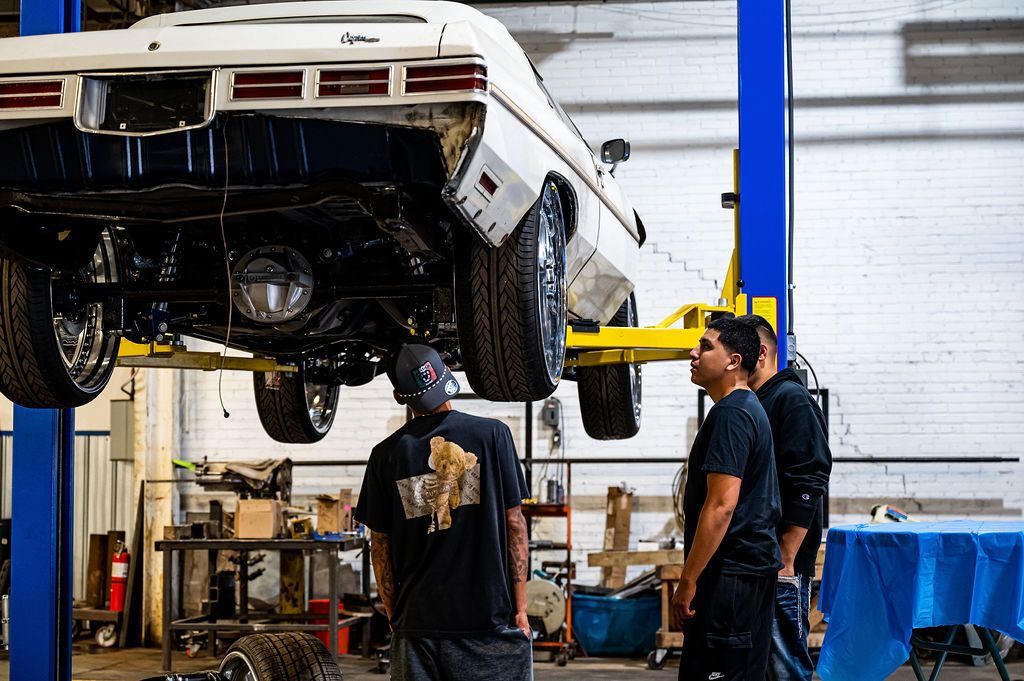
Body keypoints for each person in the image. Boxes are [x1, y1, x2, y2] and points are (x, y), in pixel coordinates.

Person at [353, 343, 533, 681]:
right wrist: (521, 610)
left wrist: (396, 616)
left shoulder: (385, 455)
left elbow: (380, 546)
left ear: (399, 396)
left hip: (418, 626)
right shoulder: (494, 435)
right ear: (448, 375)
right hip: (487, 622)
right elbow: (515, 526)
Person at [673, 317, 782, 681]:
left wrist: (688, 580)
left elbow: (721, 506)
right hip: (742, 578)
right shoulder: (748, 409)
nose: (694, 353)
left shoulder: (732, 414)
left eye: (705, 347)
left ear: (734, 361)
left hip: (729, 582)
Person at [737, 314, 832, 681]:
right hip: (761, 558)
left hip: (781, 562)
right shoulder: (757, 401)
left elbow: (810, 478)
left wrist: (787, 555)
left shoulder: (790, 399)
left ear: (759, 353)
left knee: (784, 666)